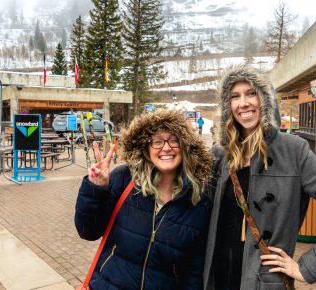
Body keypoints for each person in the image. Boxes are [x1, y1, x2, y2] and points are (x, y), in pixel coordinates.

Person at [203, 65, 316, 290]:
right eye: (235, 97)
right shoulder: (219, 155)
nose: (244, 103)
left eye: (252, 93)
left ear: (265, 99)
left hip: (264, 282)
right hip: (216, 277)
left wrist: (309, 266)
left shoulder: (294, 150)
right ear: (227, 106)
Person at [75, 109, 213, 289]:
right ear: (146, 148)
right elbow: (87, 231)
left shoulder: (198, 201)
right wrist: (96, 189)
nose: (166, 147)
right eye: (157, 141)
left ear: (185, 146)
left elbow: (193, 273)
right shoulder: (124, 179)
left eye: (173, 140)